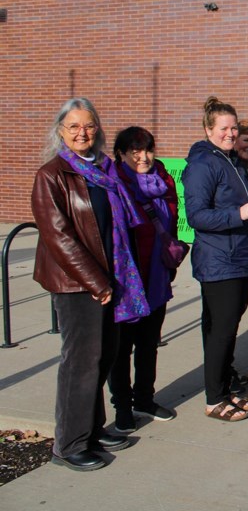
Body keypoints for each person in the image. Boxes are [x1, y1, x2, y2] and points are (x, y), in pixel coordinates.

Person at [32, 98, 143, 471]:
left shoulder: (105, 170)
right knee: (81, 363)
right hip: (78, 284)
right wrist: (96, 282)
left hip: (111, 278)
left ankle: (92, 430)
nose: (83, 133)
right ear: (60, 131)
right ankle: (68, 443)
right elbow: (58, 236)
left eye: (90, 126)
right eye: (74, 126)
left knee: (102, 358)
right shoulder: (52, 175)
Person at [183, 97, 248, 422]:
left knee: (224, 329)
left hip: (239, 258)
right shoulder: (204, 164)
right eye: (224, 128)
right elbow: (197, 215)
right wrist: (238, 214)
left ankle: (225, 389)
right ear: (208, 129)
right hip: (220, 261)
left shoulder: (231, 160)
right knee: (221, 331)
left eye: (233, 127)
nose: (231, 133)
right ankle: (214, 399)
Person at [108, 127, 179, 433]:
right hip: (127, 281)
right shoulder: (113, 184)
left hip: (156, 276)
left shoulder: (162, 180)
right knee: (121, 349)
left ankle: (144, 399)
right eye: (135, 150)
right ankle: (123, 407)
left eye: (148, 149)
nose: (144, 156)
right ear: (121, 154)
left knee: (149, 343)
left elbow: (171, 220)